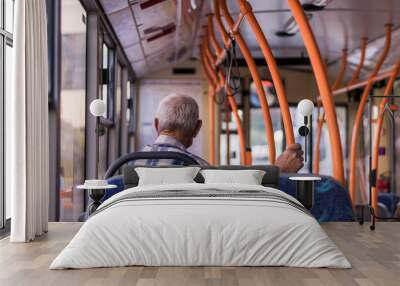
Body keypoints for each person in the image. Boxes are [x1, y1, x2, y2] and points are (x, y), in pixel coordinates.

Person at [143, 93, 304, 172]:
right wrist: (279, 171)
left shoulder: (128, 165)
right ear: (197, 128)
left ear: (156, 124)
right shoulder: (200, 169)